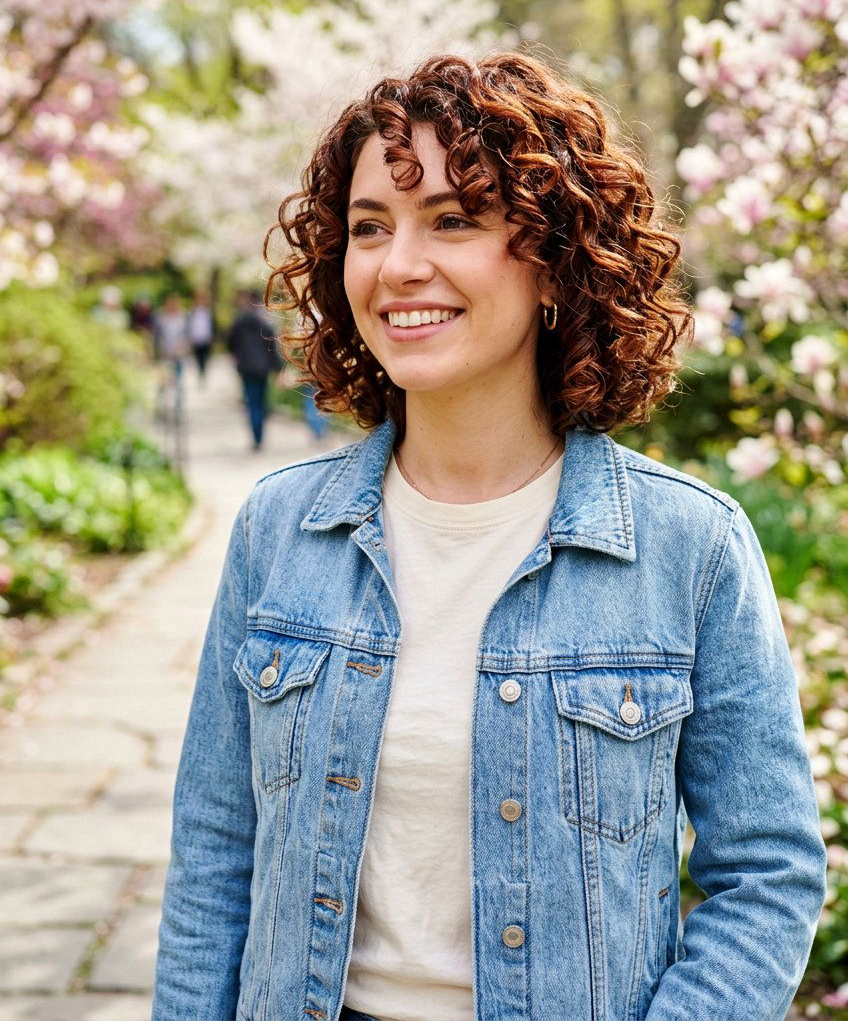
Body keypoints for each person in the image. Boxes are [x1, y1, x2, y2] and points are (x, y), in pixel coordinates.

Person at [153, 53, 826, 1021]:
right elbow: (216, 854)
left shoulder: (688, 546)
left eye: (453, 219)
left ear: (555, 260)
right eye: (369, 227)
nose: (397, 265)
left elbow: (764, 876)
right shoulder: (279, 528)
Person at [226, 288, 283, 449]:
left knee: (251, 401)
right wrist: (277, 368)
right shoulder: (264, 321)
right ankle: (259, 432)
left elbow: (230, 343)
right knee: (261, 400)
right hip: (262, 367)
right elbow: (272, 344)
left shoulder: (239, 321)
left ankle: (256, 435)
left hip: (245, 367)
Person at [187, 289, 215, 383]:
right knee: (198, 358)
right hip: (196, 339)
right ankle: (200, 373)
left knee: (205, 357)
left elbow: (212, 325)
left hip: (205, 338)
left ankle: (203, 372)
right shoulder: (192, 312)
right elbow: (190, 326)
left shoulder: (208, 312)